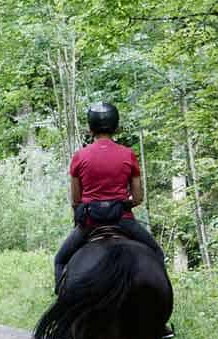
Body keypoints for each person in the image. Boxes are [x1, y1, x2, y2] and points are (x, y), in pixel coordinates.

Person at [54, 102, 170, 301]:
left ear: (90, 129)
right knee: (156, 253)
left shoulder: (80, 156)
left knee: (60, 259)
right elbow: (138, 197)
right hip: (123, 220)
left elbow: (75, 199)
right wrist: (122, 203)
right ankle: (162, 317)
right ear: (115, 127)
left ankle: (63, 305)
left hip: (90, 223)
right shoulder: (128, 154)